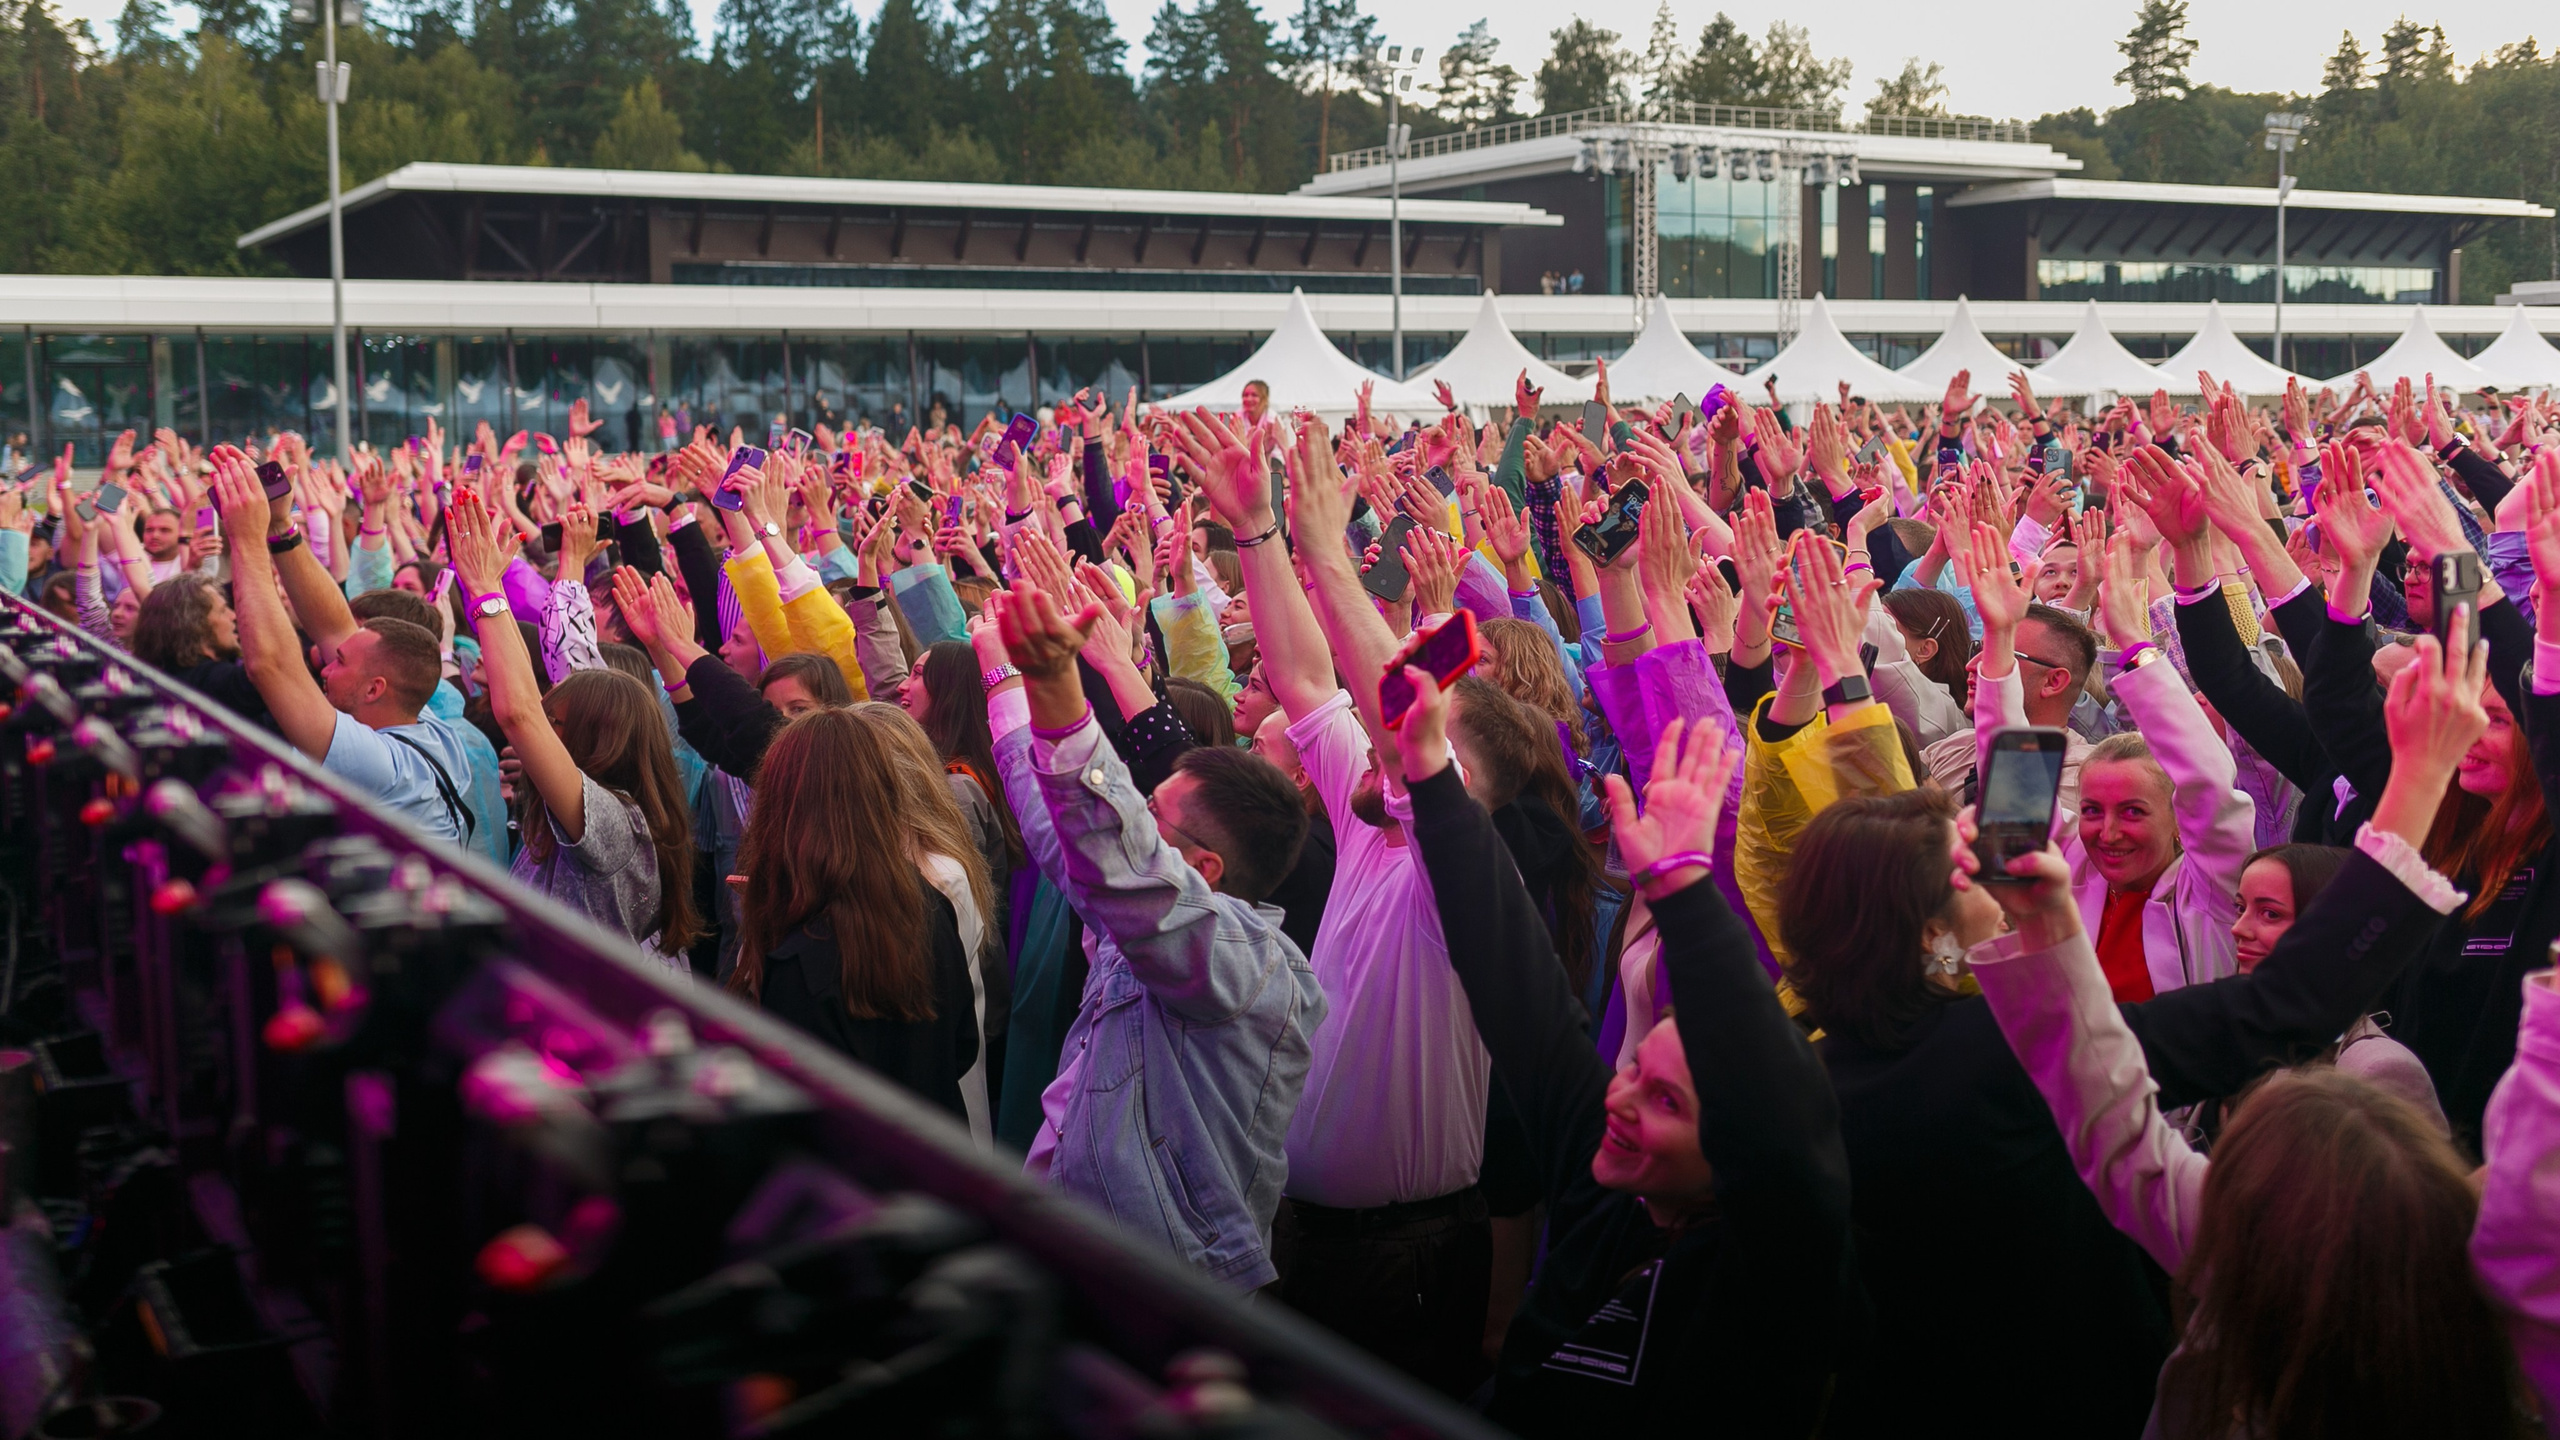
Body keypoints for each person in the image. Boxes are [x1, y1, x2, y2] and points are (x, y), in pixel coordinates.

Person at [1775, 605, 2469, 1436]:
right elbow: (2286, 1007)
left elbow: (2005, 826)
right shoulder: (2008, 1054)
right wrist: (2423, 781)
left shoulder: (1809, 1077)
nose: (1993, 864)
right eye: (1967, 870)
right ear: (1930, 932)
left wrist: (1994, 648)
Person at [1965, 621, 2550, 1437]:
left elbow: (2119, 1097)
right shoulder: (2501, 1330)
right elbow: (2295, 1004)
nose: (2103, 835)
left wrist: (2017, 657)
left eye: (2132, 811)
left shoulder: (2227, 1242)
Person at [1398, 664, 1857, 1433]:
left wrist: (1684, 896)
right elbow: (1518, 985)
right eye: (1638, 1073)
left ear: (1739, 1145)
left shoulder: (1771, 1268)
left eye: (1668, 1102)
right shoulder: (1604, 1179)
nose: (1622, 1100)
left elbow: (1782, 1117)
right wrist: (1433, 782)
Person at [979, 579, 1322, 1292]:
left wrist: (1057, 690)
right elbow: (1057, 833)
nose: (1132, 819)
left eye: (1150, 817)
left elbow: (1112, 856)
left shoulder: (1241, 960)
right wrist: (1004, 682)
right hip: (1081, 1254)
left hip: (1172, 1287)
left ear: (1204, 867)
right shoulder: (1143, 921)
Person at [446, 478, 700, 967]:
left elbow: (519, 713)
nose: (542, 731)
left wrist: (483, 592)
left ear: (597, 740)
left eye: (555, 723)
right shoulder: (603, 805)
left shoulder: (616, 824)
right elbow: (542, 690)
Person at [727, 704, 991, 1133]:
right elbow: (962, 1044)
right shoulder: (928, 906)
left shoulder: (800, 964)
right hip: (932, 1167)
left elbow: (790, 1126)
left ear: (783, 808)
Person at [209, 447, 481, 848]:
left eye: (339, 663)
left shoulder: (382, 766)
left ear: (374, 689)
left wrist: (245, 540)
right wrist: (280, 528)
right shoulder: (421, 722)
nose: (323, 668)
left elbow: (272, 667)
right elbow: (336, 626)